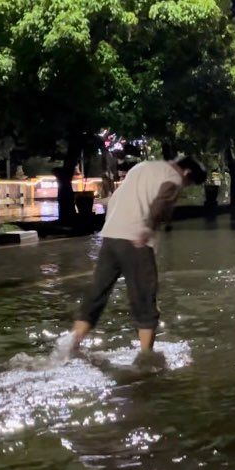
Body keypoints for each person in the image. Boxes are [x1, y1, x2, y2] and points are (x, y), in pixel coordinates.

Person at [67, 142, 207, 359]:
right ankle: (146, 357)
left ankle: (73, 344)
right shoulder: (173, 177)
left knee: (98, 292)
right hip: (136, 240)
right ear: (187, 172)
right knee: (144, 297)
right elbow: (161, 206)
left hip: (111, 234)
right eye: (188, 183)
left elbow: (115, 198)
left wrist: (114, 224)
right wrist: (148, 228)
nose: (184, 186)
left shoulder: (141, 167)